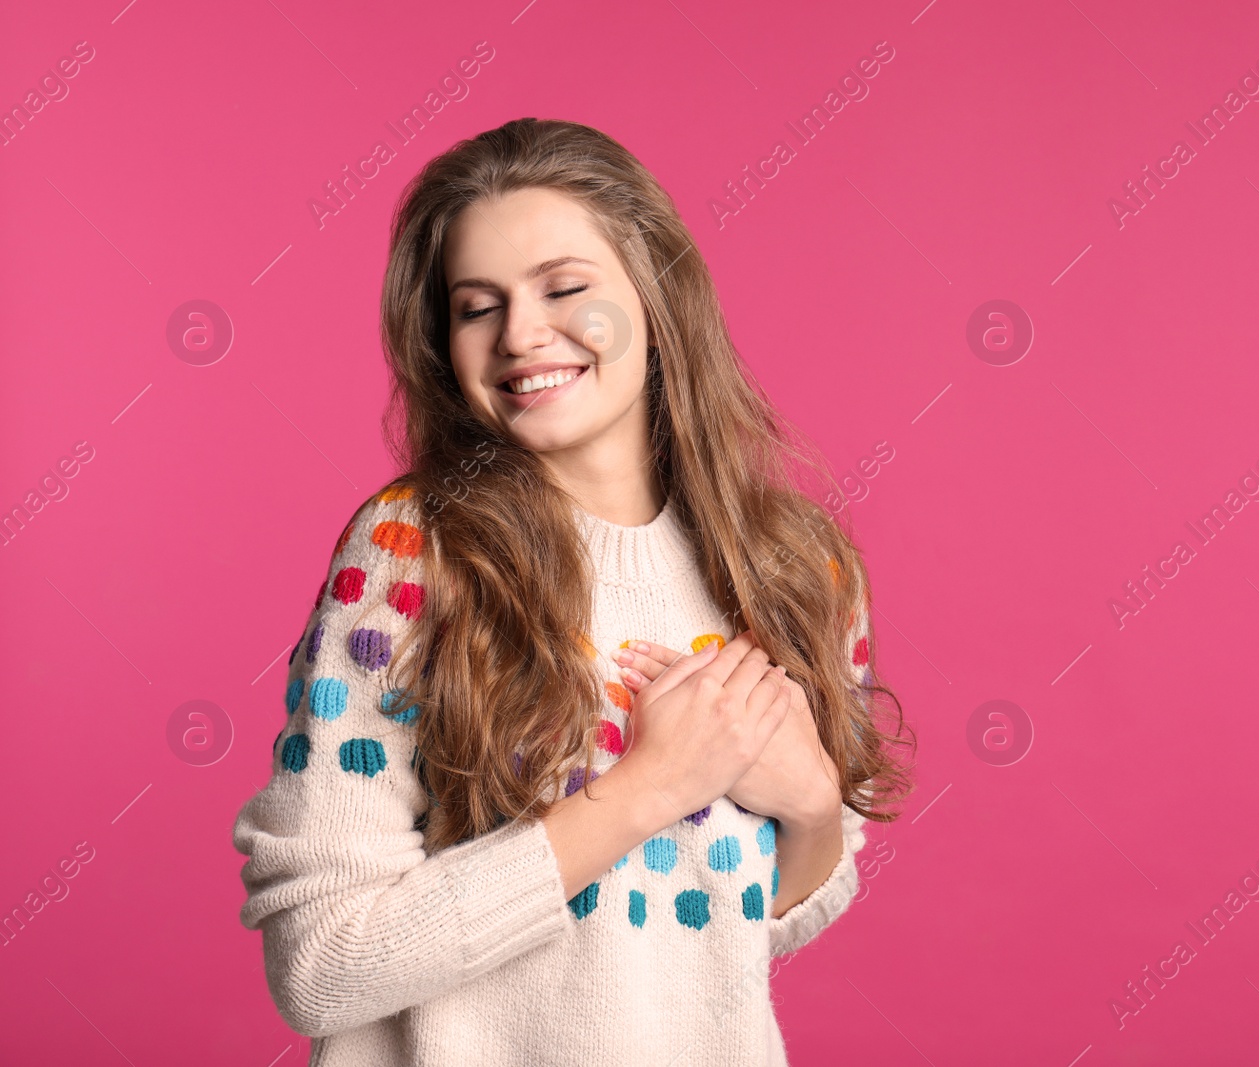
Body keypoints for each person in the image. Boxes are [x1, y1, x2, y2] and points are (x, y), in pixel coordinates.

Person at [230, 116, 913, 1066]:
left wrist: (805, 807)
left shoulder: (799, 568)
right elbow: (322, 965)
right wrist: (647, 789)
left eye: (564, 288)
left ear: (657, 295)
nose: (520, 334)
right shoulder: (410, 553)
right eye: (477, 305)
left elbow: (737, 936)